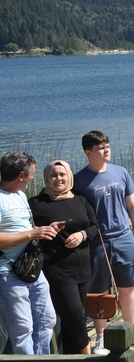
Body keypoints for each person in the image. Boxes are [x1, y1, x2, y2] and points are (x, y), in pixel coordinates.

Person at [73, 131, 134, 354]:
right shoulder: (78, 180)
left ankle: (132, 329)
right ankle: (101, 336)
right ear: (88, 153)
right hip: (97, 241)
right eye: (101, 148)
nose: (106, 150)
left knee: (128, 286)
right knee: (99, 290)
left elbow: (132, 206)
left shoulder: (121, 172)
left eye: (107, 146)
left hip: (124, 238)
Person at [29, 160, 99, 354]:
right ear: (46, 178)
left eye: (62, 174)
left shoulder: (80, 200)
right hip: (56, 269)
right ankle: (87, 355)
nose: (58, 178)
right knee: (74, 315)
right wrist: (44, 230)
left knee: (74, 319)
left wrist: (82, 235)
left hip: (83, 268)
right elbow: (26, 231)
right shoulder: (36, 204)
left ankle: (69, 356)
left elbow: (95, 227)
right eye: (53, 175)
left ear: (69, 176)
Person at [0, 152, 57, 355]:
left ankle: (43, 359)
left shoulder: (20, 195)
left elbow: (25, 228)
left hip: (31, 268)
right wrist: (31, 233)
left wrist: (44, 230)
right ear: (20, 176)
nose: (34, 176)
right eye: (32, 173)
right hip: (7, 272)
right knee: (22, 327)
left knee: (47, 318)